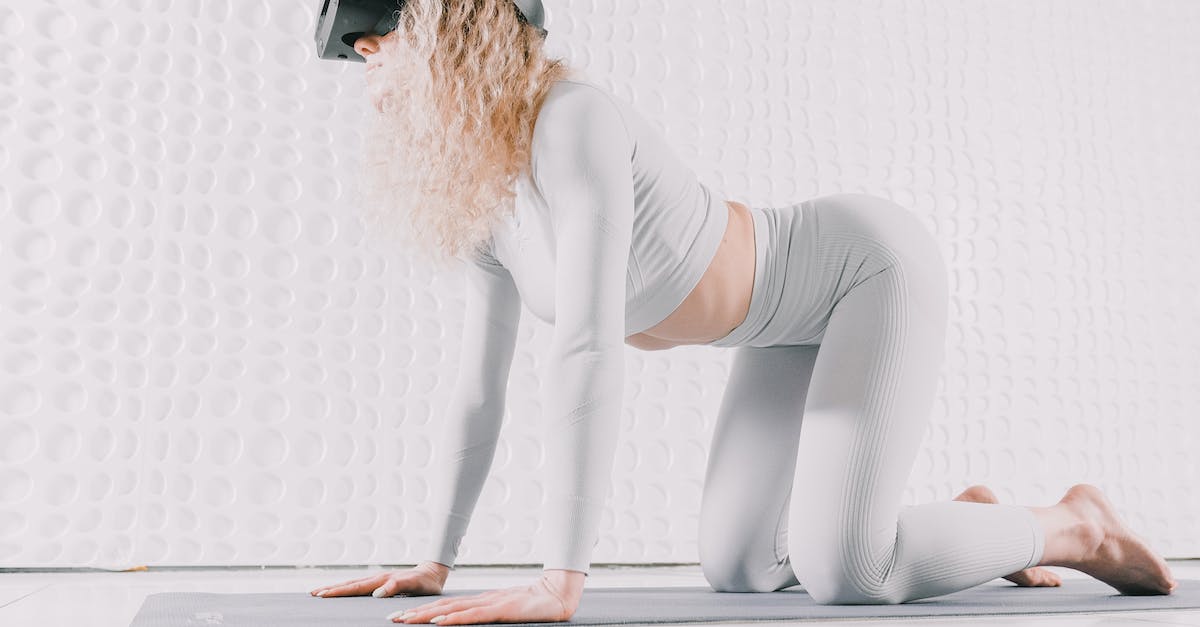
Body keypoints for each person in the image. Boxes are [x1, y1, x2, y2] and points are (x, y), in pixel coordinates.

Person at [308, 1, 1178, 623]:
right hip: (777, 326)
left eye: (382, 47)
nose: (371, 79)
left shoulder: (573, 123)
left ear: (457, 35)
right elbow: (477, 385)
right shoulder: (488, 197)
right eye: (364, 55)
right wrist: (435, 557)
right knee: (740, 568)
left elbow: (584, 351)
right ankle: (966, 524)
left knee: (850, 572)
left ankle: (1075, 525)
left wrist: (558, 579)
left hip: (862, 272)